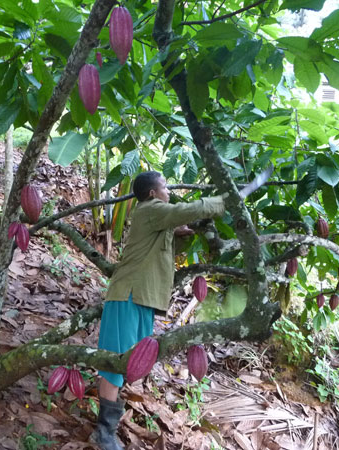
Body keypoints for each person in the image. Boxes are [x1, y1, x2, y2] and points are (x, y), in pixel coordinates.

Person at [91, 171, 225, 449]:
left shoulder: (157, 221)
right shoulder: (150, 210)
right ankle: (104, 432)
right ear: (152, 193)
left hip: (143, 298)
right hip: (128, 294)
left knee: (128, 362)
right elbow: (186, 209)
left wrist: (182, 232)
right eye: (165, 188)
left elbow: (167, 245)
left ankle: (110, 423)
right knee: (114, 364)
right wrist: (223, 201)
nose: (169, 192)